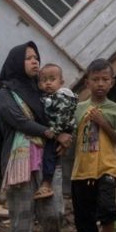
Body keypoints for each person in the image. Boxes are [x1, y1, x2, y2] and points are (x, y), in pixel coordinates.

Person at [0, 42, 73, 232]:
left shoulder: (44, 91)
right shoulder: (6, 93)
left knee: (55, 213)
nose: (35, 61)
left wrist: (65, 136)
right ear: (17, 62)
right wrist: (51, 133)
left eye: (36, 57)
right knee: (22, 217)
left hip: (48, 162)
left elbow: (62, 117)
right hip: (19, 159)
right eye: (28, 58)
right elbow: (17, 120)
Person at [71, 58, 116, 232]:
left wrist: (103, 123)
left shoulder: (115, 109)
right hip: (82, 171)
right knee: (84, 218)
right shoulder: (78, 109)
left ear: (112, 82)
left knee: (108, 211)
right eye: (96, 79)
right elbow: (71, 134)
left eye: (105, 79)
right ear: (87, 83)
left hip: (107, 168)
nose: (100, 84)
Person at [33, 63, 78, 201]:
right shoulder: (50, 97)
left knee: (49, 154)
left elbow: (62, 117)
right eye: (44, 80)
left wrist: (55, 132)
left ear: (61, 82)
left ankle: (46, 183)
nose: (48, 83)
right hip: (60, 129)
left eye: (52, 79)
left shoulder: (60, 97)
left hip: (61, 129)